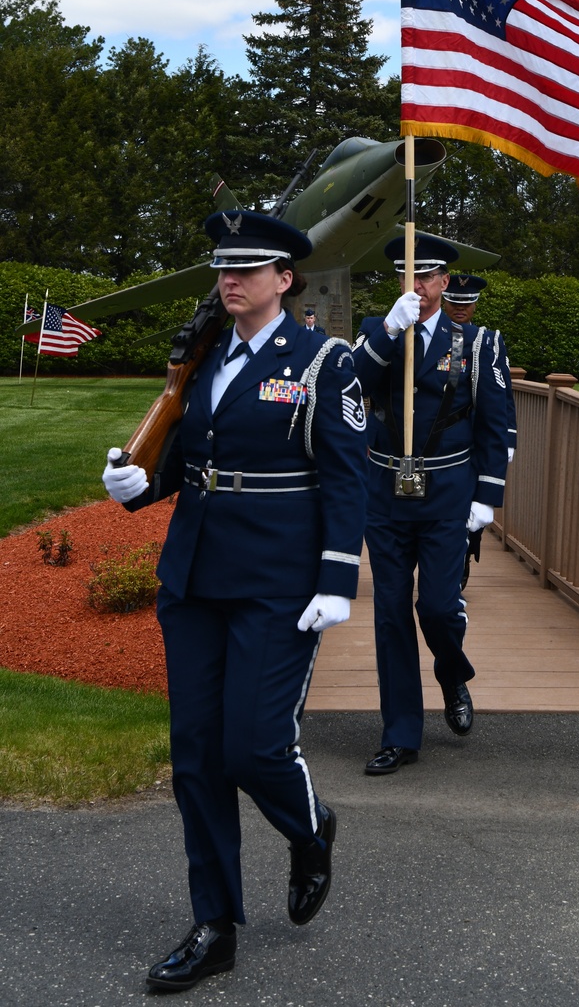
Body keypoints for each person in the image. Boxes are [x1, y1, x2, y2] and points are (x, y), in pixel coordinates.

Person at [101, 210, 368, 993]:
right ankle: (214, 925)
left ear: (285, 279)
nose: (231, 280)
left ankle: (309, 827)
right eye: (225, 267)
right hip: (194, 577)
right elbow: (186, 461)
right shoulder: (205, 355)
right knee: (196, 759)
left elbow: (348, 478)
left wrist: (336, 578)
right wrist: (137, 485)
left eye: (249, 269)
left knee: (252, 747)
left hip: (277, 582)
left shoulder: (325, 363)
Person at [353, 234, 510, 775]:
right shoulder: (378, 332)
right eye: (408, 276)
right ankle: (400, 733)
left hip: (446, 495)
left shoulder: (476, 342)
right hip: (386, 494)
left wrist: (488, 496)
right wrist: (392, 329)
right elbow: (352, 385)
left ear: (445, 281)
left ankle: (451, 672)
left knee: (439, 608)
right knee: (390, 615)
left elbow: (494, 423)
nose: (418, 286)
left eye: (427, 277)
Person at [442, 273, 517, 589]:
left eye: (467, 303)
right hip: (437, 435)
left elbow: (503, 392)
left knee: (469, 505)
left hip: (472, 434)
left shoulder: (486, 340)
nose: (461, 308)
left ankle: (462, 558)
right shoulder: (426, 336)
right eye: (455, 302)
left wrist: (508, 437)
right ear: (444, 300)